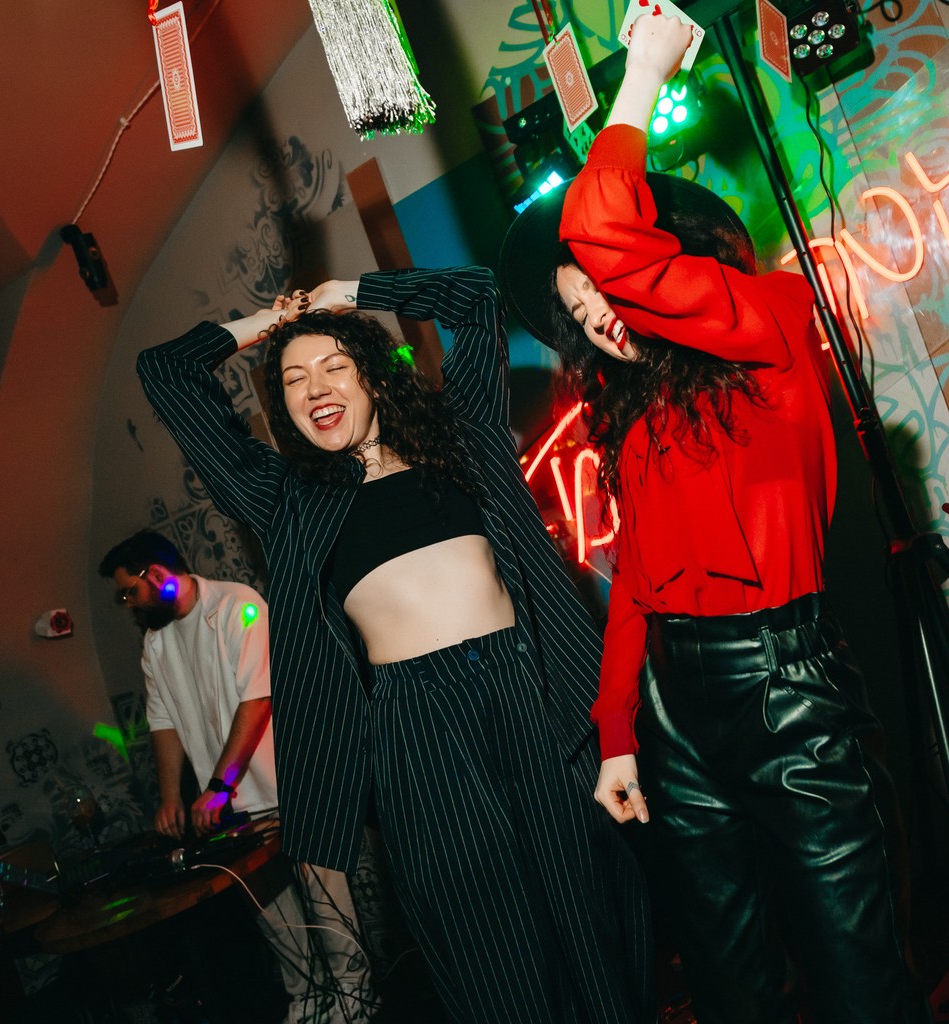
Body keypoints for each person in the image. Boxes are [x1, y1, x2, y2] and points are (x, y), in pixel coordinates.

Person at [497, 14, 930, 1024]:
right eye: (581, 313)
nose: (601, 318)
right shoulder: (636, 417)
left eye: (605, 290)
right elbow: (639, 585)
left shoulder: (771, 320)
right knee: (729, 990)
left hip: (786, 691)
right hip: (674, 709)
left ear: (672, 260)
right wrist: (617, 733)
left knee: (860, 985)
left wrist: (644, 69)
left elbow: (603, 227)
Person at [136, 267, 651, 1024]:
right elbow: (164, 370)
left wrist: (348, 294)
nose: (316, 388)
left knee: (590, 917)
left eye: (335, 366)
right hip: (417, 726)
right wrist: (268, 327)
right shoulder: (287, 500)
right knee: (491, 947)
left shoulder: (461, 440)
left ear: (374, 377)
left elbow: (476, 299)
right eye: (293, 380)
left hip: (525, 691)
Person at [98, 530, 375, 1024]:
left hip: (289, 785)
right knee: (273, 914)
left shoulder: (237, 606)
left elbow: (257, 699)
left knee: (325, 901)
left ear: (155, 575)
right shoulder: (155, 643)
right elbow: (162, 722)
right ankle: (308, 999)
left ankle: (355, 996)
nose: (128, 605)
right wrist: (169, 797)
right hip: (231, 807)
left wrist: (218, 786)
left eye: (128, 593)